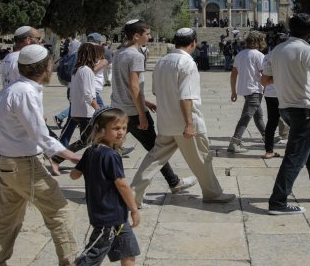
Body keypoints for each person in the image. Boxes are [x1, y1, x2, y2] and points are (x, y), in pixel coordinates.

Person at [42, 108, 157, 266]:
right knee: (92, 253)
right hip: (108, 215)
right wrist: (134, 208)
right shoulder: (111, 156)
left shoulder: (91, 151)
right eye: (115, 128)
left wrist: (92, 171)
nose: (121, 132)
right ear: (101, 130)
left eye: (123, 128)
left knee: (128, 247)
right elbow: (121, 184)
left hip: (112, 214)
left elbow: (74, 175)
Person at [0, 45, 84, 266]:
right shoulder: (25, 92)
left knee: (8, 216)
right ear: (46, 67)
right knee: (58, 210)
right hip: (22, 164)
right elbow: (40, 134)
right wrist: (72, 155)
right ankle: (70, 265)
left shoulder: (14, 89)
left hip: (7, 161)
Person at [130, 28, 235, 206]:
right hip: (185, 121)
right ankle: (212, 193)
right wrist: (189, 124)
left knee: (154, 159)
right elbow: (186, 95)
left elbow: (156, 90)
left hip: (166, 121)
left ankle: (133, 194)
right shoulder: (187, 63)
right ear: (193, 43)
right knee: (202, 158)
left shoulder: (162, 62)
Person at [110, 20, 195, 194]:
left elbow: (125, 84)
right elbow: (134, 86)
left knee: (112, 148)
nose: (149, 37)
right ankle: (173, 182)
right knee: (156, 151)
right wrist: (142, 113)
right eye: (147, 34)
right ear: (136, 36)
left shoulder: (119, 52)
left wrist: (146, 102)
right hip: (133, 111)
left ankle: (109, 183)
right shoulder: (136, 56)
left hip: (118, 108)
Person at [262, 13, 310, 215]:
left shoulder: (277, 50)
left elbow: (265, 80)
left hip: (285, 108)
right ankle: (278, 202)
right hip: (304, 110)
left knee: (309, 149)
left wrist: (284, 80)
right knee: (294, 157)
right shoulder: (306, 50)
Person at [58, 42, 105, 148]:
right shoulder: (87, 71)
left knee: (89, 140)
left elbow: (72, 93)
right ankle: (57, 157)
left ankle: (91, 161)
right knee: (88, 140)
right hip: (86, 112)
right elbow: (88, 94)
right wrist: (98, 108)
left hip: (80, 111)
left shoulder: (77, 69)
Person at [228, 31, 267, 153]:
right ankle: (234, 142)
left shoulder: (240, 55)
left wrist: (233, 91)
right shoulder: (259, 55)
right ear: (258, 42)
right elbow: (264, 74)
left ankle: (267, 137)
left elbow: (234, 74)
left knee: (258, 115)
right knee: (246, 117)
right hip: (255, 89)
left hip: (245, 90)